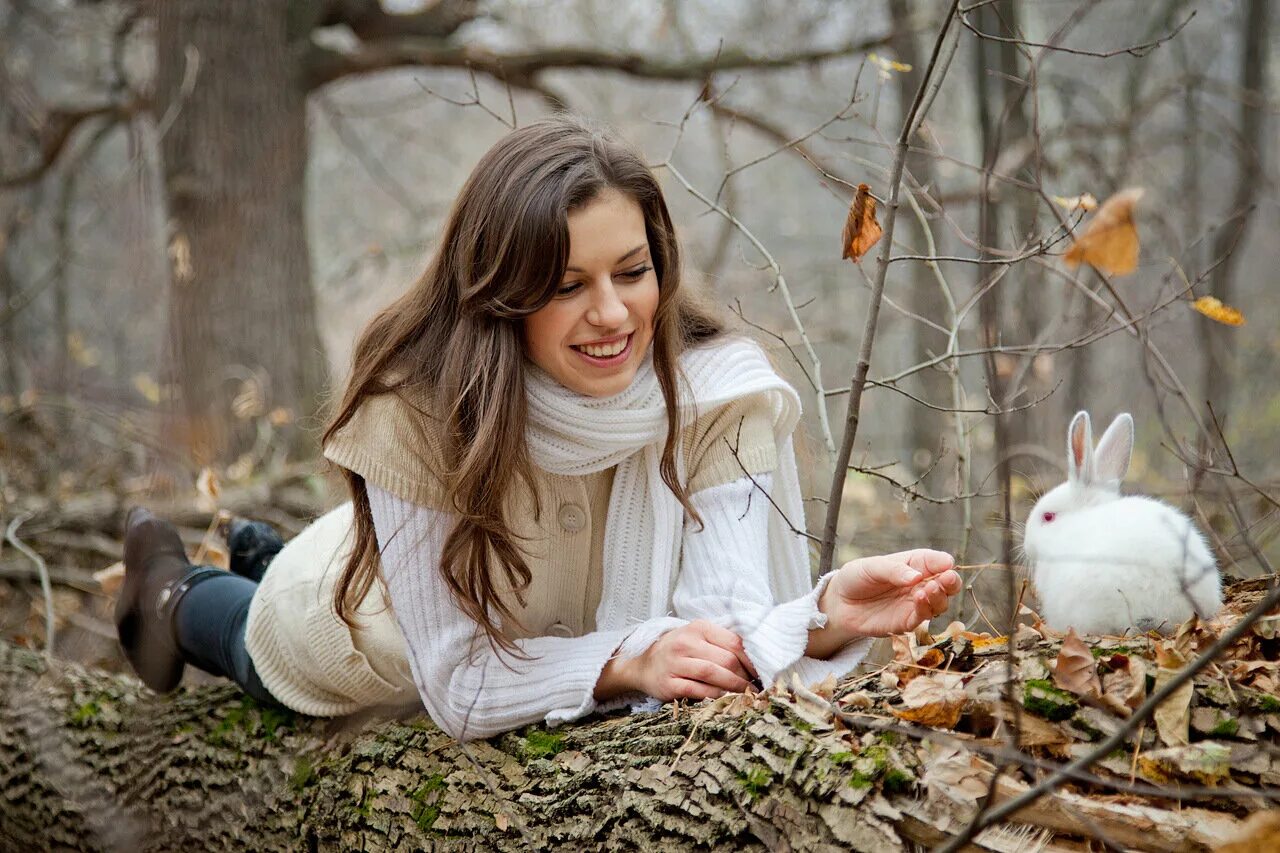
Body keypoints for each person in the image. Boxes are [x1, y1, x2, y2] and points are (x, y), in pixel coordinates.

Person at [115, 113, 962, 742]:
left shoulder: (716, 395)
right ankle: (170, 588)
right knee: (250, 636)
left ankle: (253, 542)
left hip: (455, 573)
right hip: (361, 620)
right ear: (498, 292)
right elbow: (458, 684)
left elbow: (717, 633)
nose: (611, 313)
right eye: (565, 286)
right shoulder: (415, 407)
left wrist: (824, 616)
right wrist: (627, 658)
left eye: (632, 272)